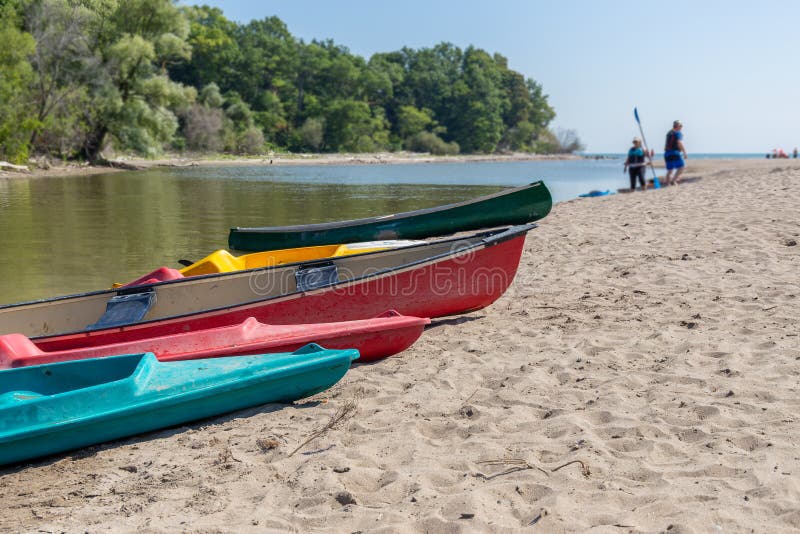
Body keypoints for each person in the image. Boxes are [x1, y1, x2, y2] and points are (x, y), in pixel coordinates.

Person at [664, 120, 687, 185]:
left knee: (670, 170)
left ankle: (668, 184)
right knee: (682, 167)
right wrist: (684, 152)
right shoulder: (678, 133)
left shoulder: (669, 133)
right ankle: (673, 180)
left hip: (667, 153)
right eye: (681, 126)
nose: (681, 127)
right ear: (677, 126)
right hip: (675, 152)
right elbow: (679, 142)